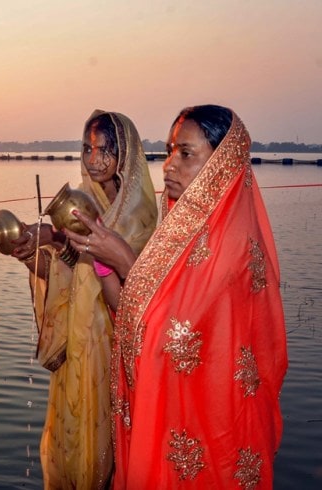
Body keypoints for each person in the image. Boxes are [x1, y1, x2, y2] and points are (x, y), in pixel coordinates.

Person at [67, 105, 288, 488]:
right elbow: (134, 317)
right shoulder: (181, 239)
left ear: (222, 165)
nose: (169, 165)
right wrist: (104, 260)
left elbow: (172, 340)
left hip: (213, 433)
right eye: (171, 151)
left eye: (186, 154)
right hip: (174, 424)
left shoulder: (232, 249)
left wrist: (124, 259)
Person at [12, 110, 158, 489]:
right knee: (75, 440)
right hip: (79, 347)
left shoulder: (141, 216)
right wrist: (34, 251)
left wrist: (106, 254)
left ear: (124, 155)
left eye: (104, 150)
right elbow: (69, 275)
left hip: (117, 348)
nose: (94, 160)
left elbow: (142, 288)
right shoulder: (78, 205)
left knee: (112, 449)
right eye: (87, 149)